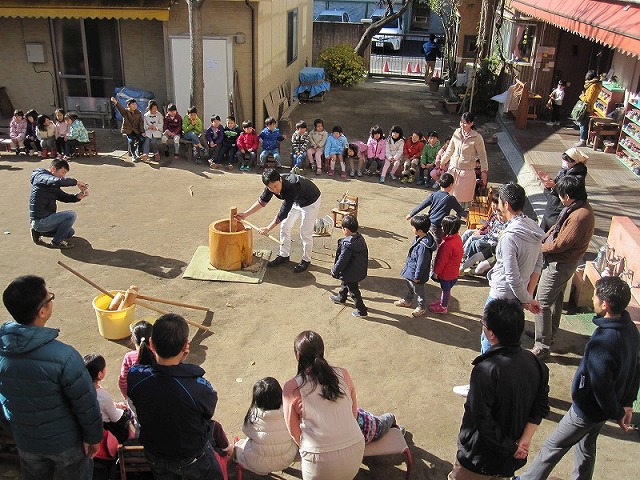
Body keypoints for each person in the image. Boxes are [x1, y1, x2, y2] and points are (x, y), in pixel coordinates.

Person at [517, 276, 640, 480]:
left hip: (587, 409)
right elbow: (636, 369)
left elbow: (601, 385)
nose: (593, 300)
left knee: (553, 445)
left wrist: (617, 412)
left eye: (595, 297)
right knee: (586, 447)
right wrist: (626, 403)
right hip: (604, 409)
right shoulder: (631, 332)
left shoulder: (604, 342)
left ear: (605, 304)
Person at [0, 275, 103, 479]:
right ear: (42, 311)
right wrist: (93, 437)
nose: (51, 300)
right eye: (50, 297)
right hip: (66, 443)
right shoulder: (65, 357)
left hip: (26, 440)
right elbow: (85, 402)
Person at [449, 299, 550, 480]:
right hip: (508, 459)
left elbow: (482, 419)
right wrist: (524, 441)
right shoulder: (537, 364)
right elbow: (540, 406)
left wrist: (511, 448)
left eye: (484, 325)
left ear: (492, 334)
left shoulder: (485, 370)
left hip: (479, 458)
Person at [127, 313, 224, 479]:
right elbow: (208, 413)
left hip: (156, 456)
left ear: (151, 344)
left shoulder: (135, 376)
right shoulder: (197, 387)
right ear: (186, 346)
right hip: (191, 458)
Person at [282, 331, 365, 480]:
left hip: (317, 462)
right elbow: (354, 413)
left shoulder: (291, 387)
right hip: (355, 449)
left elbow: (294, 431)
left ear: (298, 356)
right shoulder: (343, 374)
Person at [530, 175, 595, 361]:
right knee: (555, 299)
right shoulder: (574, 209)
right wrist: (541, 238)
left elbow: (561, 244)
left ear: (567, 195)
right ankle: (548, 334)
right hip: (561, 261)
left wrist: (539, 247)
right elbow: (555, 230)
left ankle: (541, 345)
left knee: (541, 302)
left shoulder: (580, 216)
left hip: (560, 263)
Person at [482, 182, 544, 351]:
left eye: (500, 202)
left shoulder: (510, 237)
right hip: (518, 298)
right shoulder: (533, 228)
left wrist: (528, 299)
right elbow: (538, 263)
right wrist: (527, 295)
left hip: (501, 297)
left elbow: (512, 277)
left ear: (506, 205)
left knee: (490, 342)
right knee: (509, 343)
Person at [235, 168, 321, 273]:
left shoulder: (292, 186)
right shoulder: (270, 186)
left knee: (305, 232)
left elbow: (283, 213)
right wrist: (245, 214)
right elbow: (262, 202)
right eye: (270, 188)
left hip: (310, 201)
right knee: (284, 227)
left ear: (280, 179)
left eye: (275, 186)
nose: (274, 190)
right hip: (295, 201)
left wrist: (268, 228)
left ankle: (306, 260)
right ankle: (284, 255)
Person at [233, 377, 298, 476]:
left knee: (239, 446)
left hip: (259, 464)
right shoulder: (289, 411)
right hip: (286, 459)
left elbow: (246, 431)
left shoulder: (253, 416)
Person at [29, 158, 89, 249]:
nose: (63, 176)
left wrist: (77, 197)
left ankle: (38, 232)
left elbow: (63, 197)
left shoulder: (52, 184)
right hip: (40, 221)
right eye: (63, 172)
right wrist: (76, 182)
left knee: (69, 232)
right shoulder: (41, 176)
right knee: (71, 215)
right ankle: (57, 242)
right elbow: (56, 181)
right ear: (53, 169)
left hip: (45, 221)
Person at [440, 112, 489, 207]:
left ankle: (458, 214)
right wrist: (443, 161)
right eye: (461, 122)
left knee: (461, 195)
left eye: (465, 123)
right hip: (453, 168)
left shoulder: (477, 137)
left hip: (466, 171)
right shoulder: (456, 132)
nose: (462, 125)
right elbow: (450, 149)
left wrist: (484, 171)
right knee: (448, 192)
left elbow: (482, 155)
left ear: (471, 123)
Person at [394, 214, 438, 318]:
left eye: (413, 227)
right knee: (410, 286)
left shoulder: (423, 247)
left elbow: (421, 263)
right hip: (411, 271)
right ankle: (408, 300)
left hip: (416, 275)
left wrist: (417, 277)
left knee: (419, 291)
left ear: (420, 230)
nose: (412, 229)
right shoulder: (419, 238)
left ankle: (421, 307)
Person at [84, 353, 134, 444]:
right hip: (108, 428)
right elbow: (115, 417)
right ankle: (130, 440)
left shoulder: (81, 390)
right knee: (127, 412)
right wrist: (121, 410)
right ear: (100, 374)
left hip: (93, 424)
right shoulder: (102, 395)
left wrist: (115, 405)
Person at [406, 172, 467, 244]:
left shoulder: (434, 194)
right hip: (438, 225)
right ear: (451, 185)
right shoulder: (451, 199)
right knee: (438, 244)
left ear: (439, 183)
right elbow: (460, 210)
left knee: (429, 240)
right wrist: (467, 217)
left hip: (429, 222)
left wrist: (411, 214)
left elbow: (423, 205)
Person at [538, 147, 588, 232]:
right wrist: (549, 181)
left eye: (567, 160)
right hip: (552, 204)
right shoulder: (564, 170)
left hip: (559, 208)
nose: (564, 162)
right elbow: (557, 182)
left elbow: (569, 192)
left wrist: (555, 185)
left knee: (551, 229)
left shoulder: (578, 178)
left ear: (575, 162)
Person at [330, 214, 369, 317]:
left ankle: (361, 310)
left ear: (346, 230)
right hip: (357, 270)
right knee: (344, 282)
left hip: (351, 272)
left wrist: (335, 270)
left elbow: (342, 260)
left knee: (354, 291)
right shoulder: (360, 238)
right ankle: (341, 297)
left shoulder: (347, 245)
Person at [430, 215, 464, 314]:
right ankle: (442, 302)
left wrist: (436, 272)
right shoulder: (457, 238)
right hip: (453, 272)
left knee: (446, 290)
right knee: (446, 290)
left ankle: (443, 307)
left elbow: (441, 261)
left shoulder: (447, 245)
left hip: (446, 274)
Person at [118, 320, 154, 399]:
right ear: (153, 340)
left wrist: (128, 399)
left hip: (136, 401)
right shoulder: (159, 355)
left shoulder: (129, 357)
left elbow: (123, 383)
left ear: (133, 340)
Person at [575, 70, 603, 147]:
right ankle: (583, 140)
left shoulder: (593, 86)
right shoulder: (596, 84)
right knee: (584, 123)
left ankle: (582, 141)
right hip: (589, 107)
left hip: (587, 107)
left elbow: (588, 99)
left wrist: (582, 96)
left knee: (583, 124)